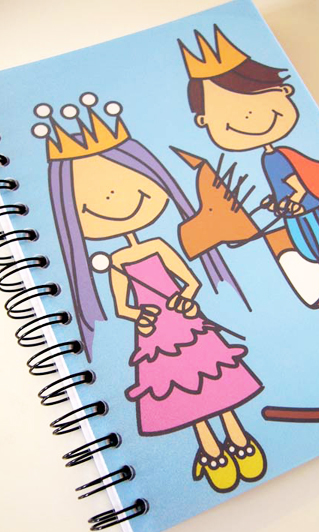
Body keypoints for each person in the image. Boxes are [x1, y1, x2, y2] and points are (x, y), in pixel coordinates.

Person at [32, 93, 267, 493]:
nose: (111, 198)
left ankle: (238, 436)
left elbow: (188, 279)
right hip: (155, 335)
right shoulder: (117, 260)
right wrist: (137, 315)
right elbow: (122, 304)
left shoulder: (158, 245)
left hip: (186, 324)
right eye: (88, 203)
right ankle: (210, 448)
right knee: (178, 389)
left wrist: (186, 296)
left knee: (213, 378)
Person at [179, 26, 319, 315]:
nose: (247, 116)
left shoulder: (279, 156)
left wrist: (295, 200)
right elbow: (284, 186)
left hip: (308, 212)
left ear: (285, 91)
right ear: (204, 122)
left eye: (255, 99)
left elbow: (299, 182)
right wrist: (276, 202)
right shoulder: (269, 158)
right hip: (297, 214)